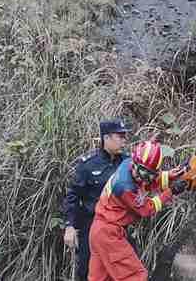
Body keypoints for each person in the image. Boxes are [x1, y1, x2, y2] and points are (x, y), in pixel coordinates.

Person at [88, 140, 188, 281]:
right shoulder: (125, 187)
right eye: (142, 172)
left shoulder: (129, 165)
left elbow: (144, 181)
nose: (143, 178)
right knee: (135, 276)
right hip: (108, 233)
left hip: (98, 231)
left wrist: (168, 176)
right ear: (135, 163)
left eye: (149, 175)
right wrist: (170, 192)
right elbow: (146, 209)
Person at [64, 119, 130, 281]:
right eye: (119, 136)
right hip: (91, 227)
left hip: (118, 229)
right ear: (106, 138)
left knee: (121, 273)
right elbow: (73, 196)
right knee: (88, 272)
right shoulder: (88, 165)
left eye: (124, 136)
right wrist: (70, 226)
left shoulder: (128, 163)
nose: (124, 140)